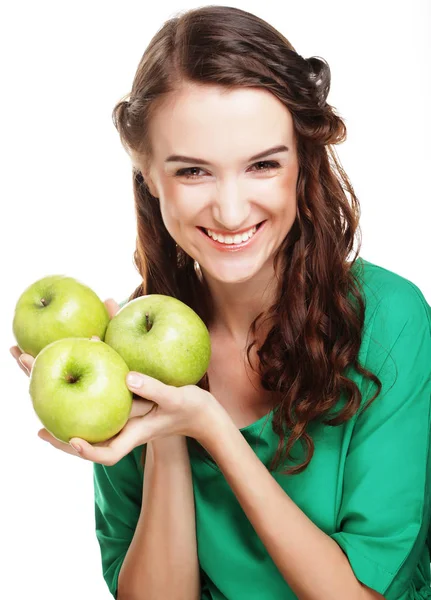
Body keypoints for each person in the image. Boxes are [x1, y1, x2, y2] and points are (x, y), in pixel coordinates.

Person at [10, 5, 431, 600]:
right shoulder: (126, 347)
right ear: (149, 175)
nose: (231, 212)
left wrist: (211, 428)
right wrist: (164, 434)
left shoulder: (391, 321)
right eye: (193, 172)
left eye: (263, 165)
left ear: (302, 161)